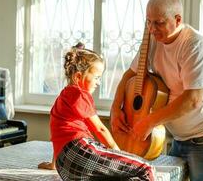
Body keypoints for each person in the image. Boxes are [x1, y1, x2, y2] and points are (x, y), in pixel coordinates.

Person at [110, 0, 203, 181]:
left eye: (158, 22)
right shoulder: (153, 41)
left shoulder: (195, 46)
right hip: (178, 137)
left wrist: (150, 121)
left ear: (177, 20)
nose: (152, 29)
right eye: (148, 22)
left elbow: (193, 100)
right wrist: (115, 109)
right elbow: (130, 74)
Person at [38, 43, 155, 181]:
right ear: (78, 77)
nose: (98, 82)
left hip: (64, 167)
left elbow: (58, 134)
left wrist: (53, 165)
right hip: (79, 153)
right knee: (146, 168)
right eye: (97, 77)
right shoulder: (79, 95)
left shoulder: (62, 98)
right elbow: (100, 129)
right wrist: (119, 154)